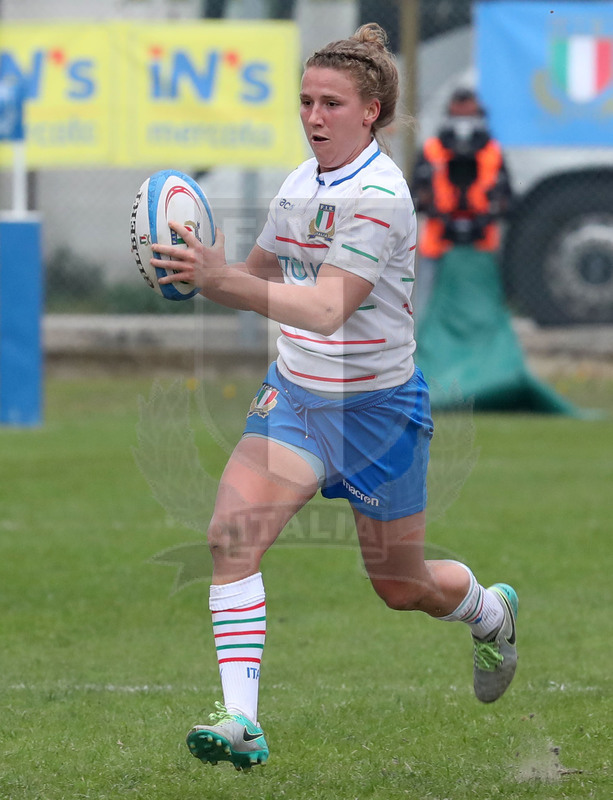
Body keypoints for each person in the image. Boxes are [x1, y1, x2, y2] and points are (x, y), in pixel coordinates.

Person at [151, 25, 518, 772]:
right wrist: (198, 265)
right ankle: (241, 720)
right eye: (305, 103)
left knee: (400, 586)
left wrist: (227, 282)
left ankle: (490, 612)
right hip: (295, 400)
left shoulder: (380, 197)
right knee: (230, 536)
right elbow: (252, 283)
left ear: (371, 111)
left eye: (330, 104)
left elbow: (324, 308)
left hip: (378, 416)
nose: (313, 117)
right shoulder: (298, 185)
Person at [412, 87, 513, 317]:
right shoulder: (432, 150)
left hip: (481, 244)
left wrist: (487, 214)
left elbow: (508, 199)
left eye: (470, 115)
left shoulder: (492, 152)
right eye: (459, 115)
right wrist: (438, 211)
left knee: (483, 307)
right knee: (427, 308)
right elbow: (414, 194)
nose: (464, 122)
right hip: (438, 243)